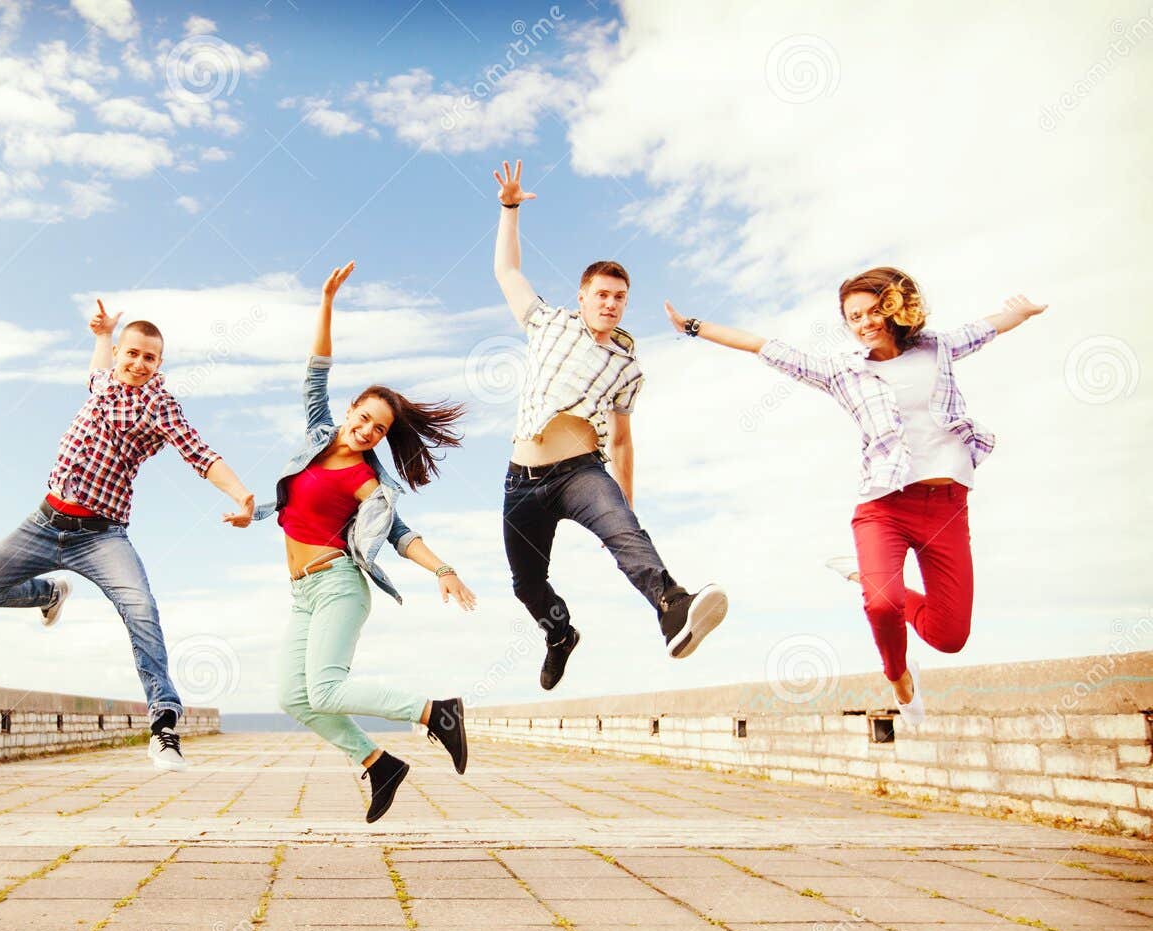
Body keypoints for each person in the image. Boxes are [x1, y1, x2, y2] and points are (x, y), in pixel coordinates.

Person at [664, 267, 1046, 723]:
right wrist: (693, 326)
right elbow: (764, 347)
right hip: (885, 506)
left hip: (947, 510)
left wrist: (1019, 312)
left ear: (893, 308)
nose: (863, 323)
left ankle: (862, 577)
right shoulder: (842, 372)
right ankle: (899, 678)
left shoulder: (936, 348)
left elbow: (985, 329)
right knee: (883, 605)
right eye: (853, 317)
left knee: (949, 637)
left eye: (871, 312)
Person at [0, 301, 254, 772]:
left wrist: (242, 496)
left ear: (159, 365)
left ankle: (163, 726)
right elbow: (98, 366)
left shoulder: (160, 405)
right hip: (44, 523)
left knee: (141, 609)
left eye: (149, 358)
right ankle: (49, 592)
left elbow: (200, 453)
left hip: (101, 536)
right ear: (119, 354)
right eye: (130, 354)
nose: (137, 365)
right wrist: (103, 333)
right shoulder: (102, 380)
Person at [492, 159, 728, 690]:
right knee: (526, 583)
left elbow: (621, 438)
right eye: (601, 294)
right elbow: (507, 273)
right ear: (582, 297)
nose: (610, 303)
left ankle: (673, 607)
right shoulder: (548, 322)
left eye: (619, 297)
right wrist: (509, 211)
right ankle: (560, 635)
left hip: (580, 472)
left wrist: (624, 501)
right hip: (521, 480)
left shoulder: (628, 365)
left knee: (627, 535)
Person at [252, 261, 473, 823]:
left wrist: (442, 568)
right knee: (292, 698)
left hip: (338, 587)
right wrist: (326, 300)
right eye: (365, 417)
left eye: (380, 429)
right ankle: (378, 762)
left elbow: (400, 536)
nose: (368, 430)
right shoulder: (317, 437)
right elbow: (314, 375)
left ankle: (435, 713)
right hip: (301, 593)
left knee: (324, 691)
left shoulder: (369, 484)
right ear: (351, 410)